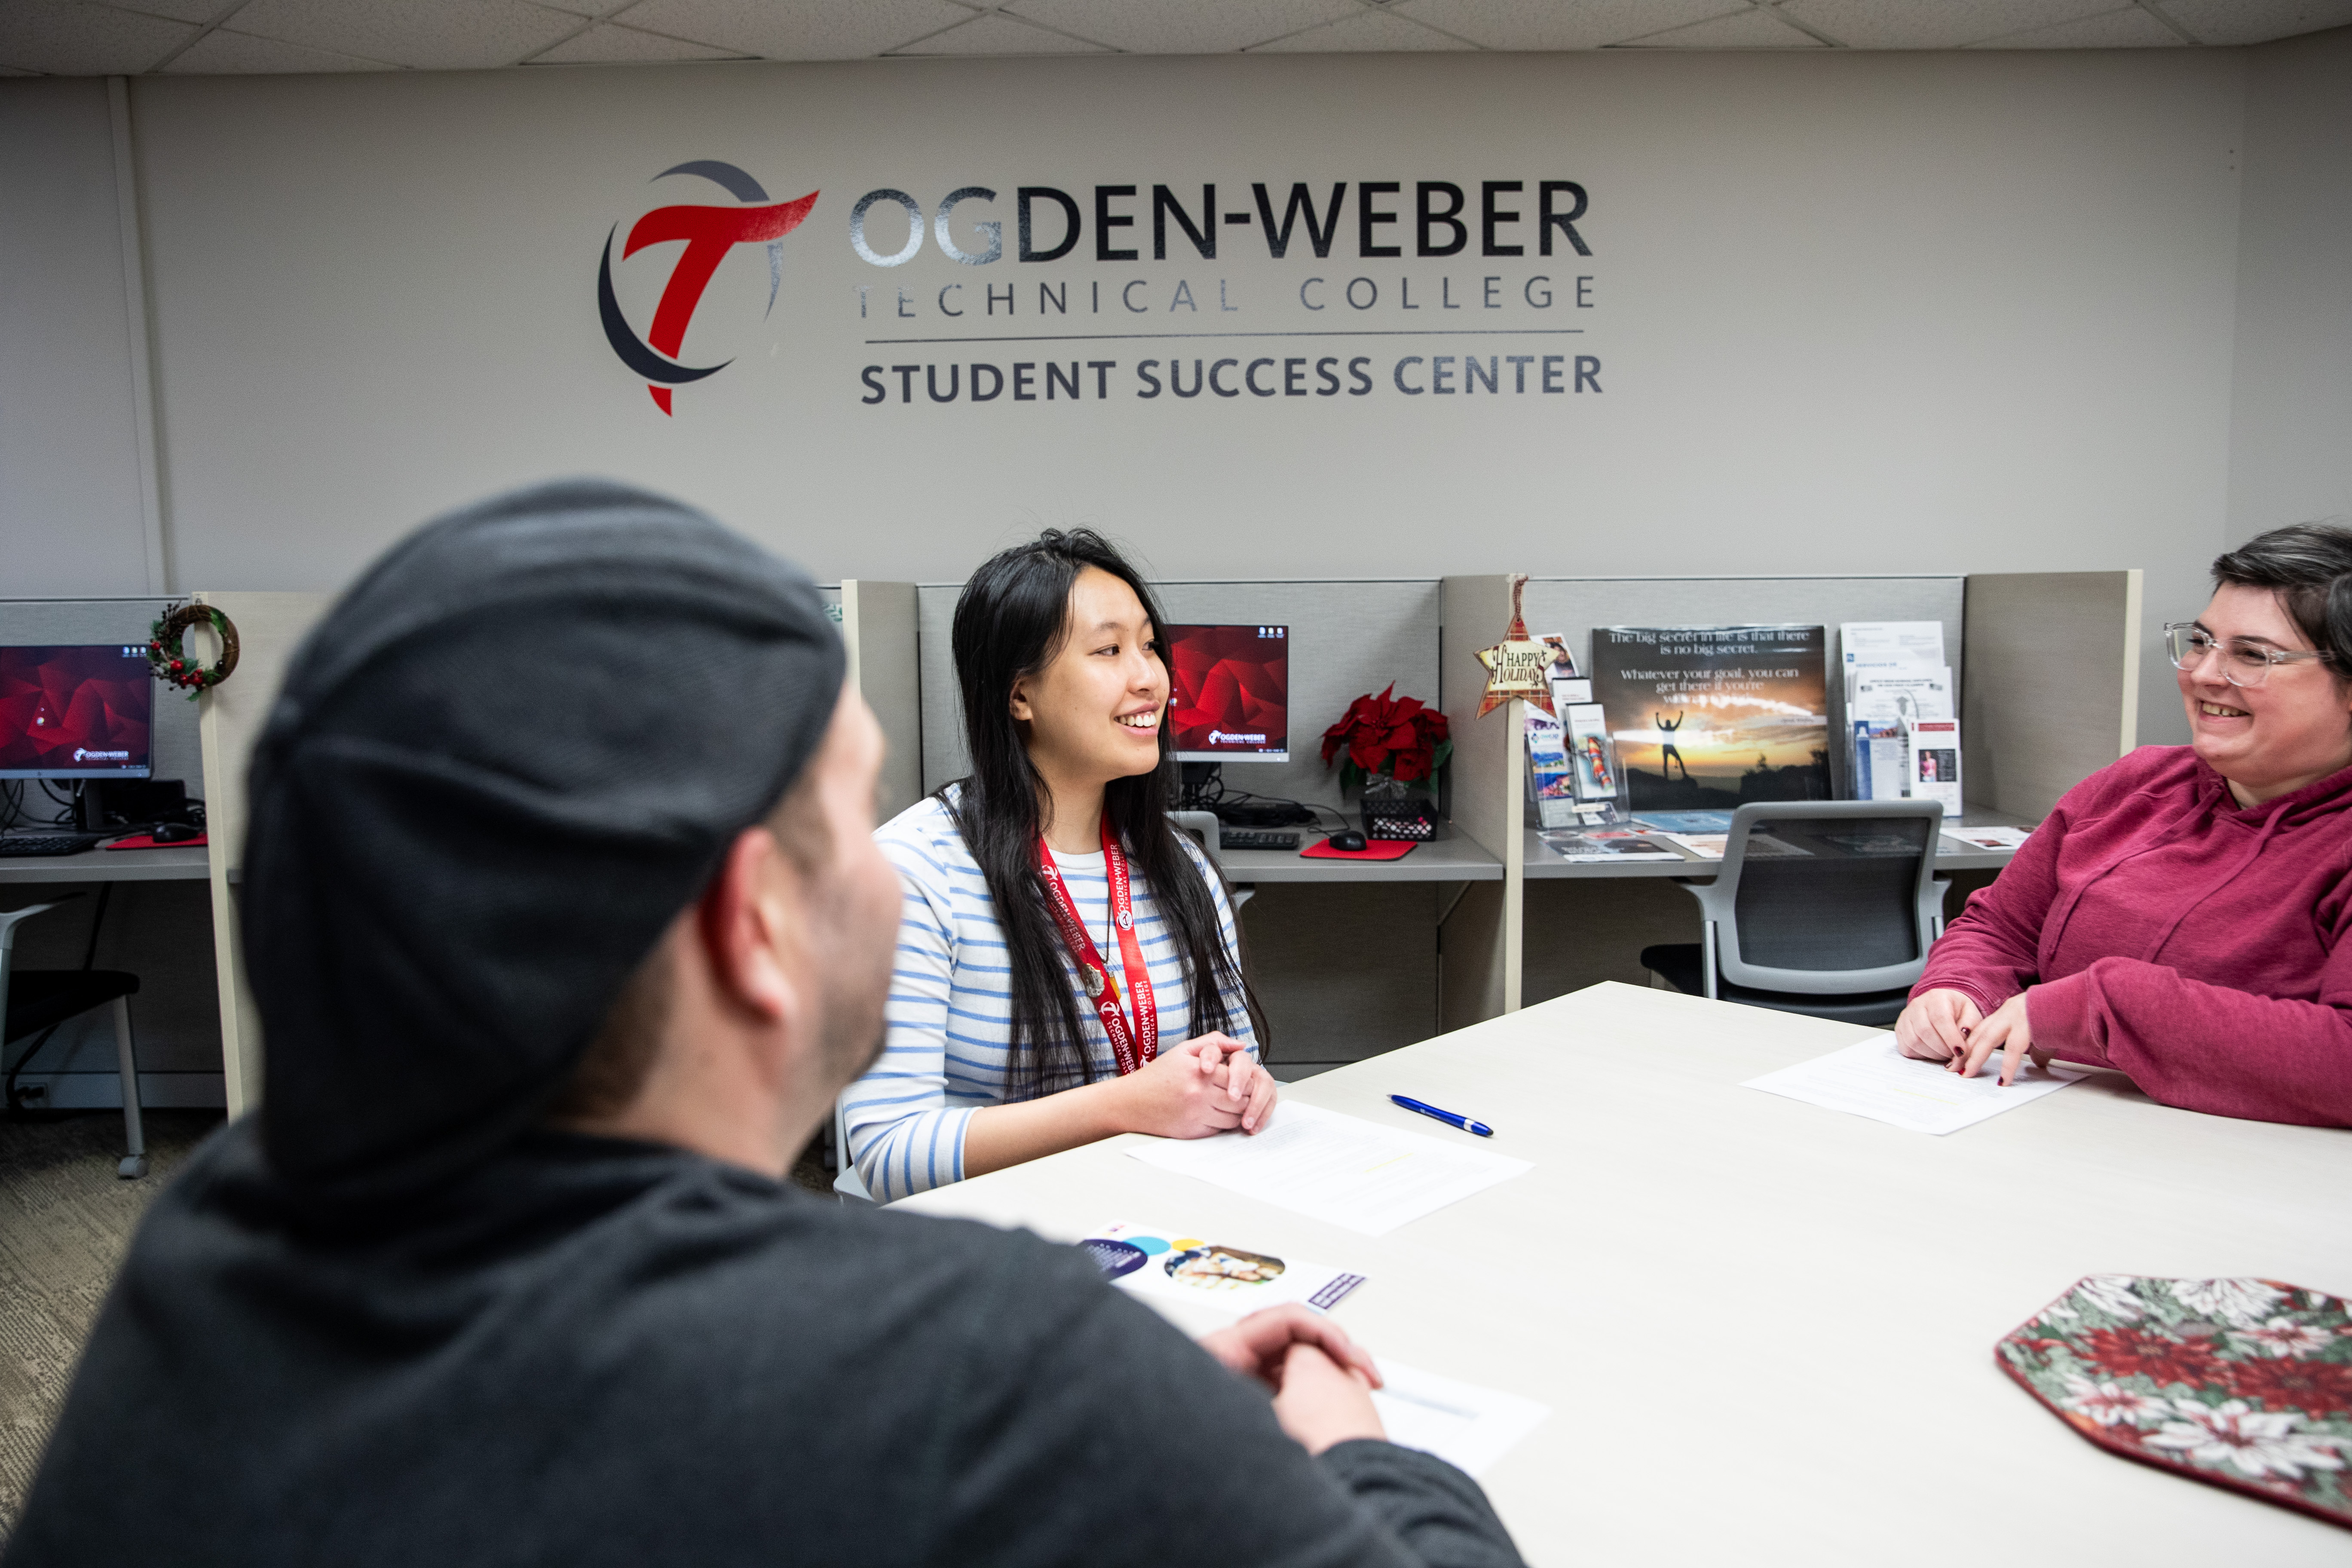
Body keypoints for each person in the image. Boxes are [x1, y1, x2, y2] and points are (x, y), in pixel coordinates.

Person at [5, 483, 1524, 1568]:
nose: (880, 862)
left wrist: (1143, 1402)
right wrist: (1351, 1438)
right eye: (839, 825)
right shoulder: (974, 1353)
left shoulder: (212, 1251)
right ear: (752, 920)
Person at [844, 529, 1278, 1201]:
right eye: (1108, 650)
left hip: (1162, 1216)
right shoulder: (915, 872)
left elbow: (1236, 1058)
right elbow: (890, 1153)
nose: (1151, 678)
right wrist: (1125, 1105)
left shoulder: (1181, 866)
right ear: (1021, 697)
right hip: (991, 1248)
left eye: (1150, 647)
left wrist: (1240, 1086)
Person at [1896, 521, 2352, 1127]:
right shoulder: (2137, 784)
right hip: (2045, 1133)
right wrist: (1955, 989)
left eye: (2251, 655)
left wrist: (2097, 1005)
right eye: (2200, 642)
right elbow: (2002, 928)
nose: (2205, 674)